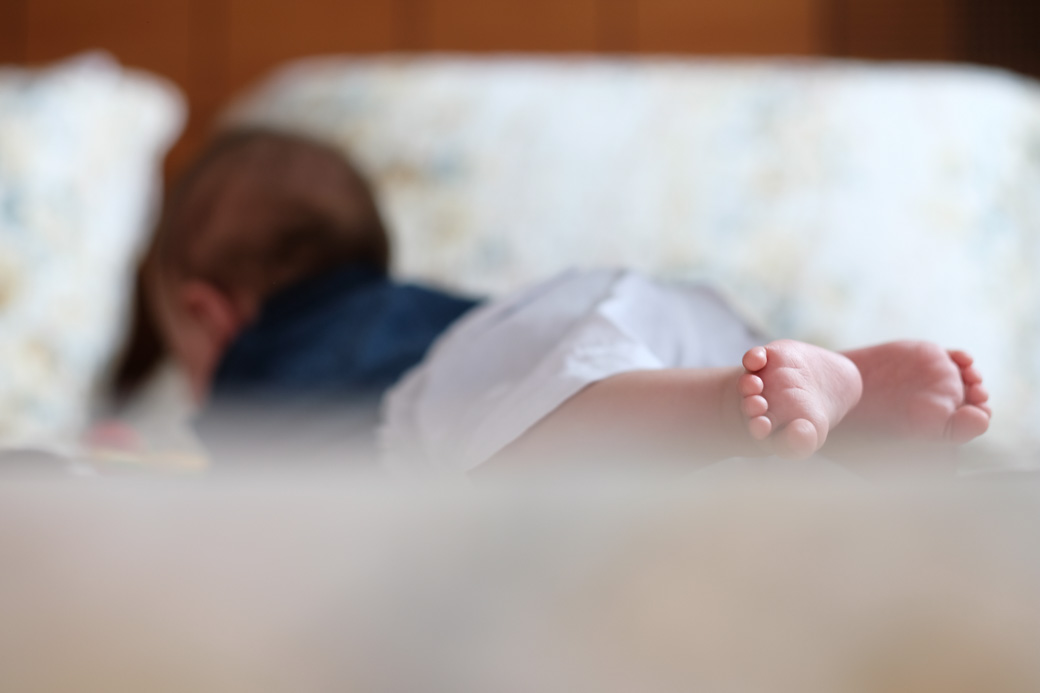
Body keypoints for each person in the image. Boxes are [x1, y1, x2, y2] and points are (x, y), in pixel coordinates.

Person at [128, 128, 991, 475]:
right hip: (653, 314)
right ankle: (829, 410)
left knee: (497, 448)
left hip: (548, 370)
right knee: (601, 404)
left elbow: (237, 497)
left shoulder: (264, 364)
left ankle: (731, 402)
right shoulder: (420, 310)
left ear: (209, 314)